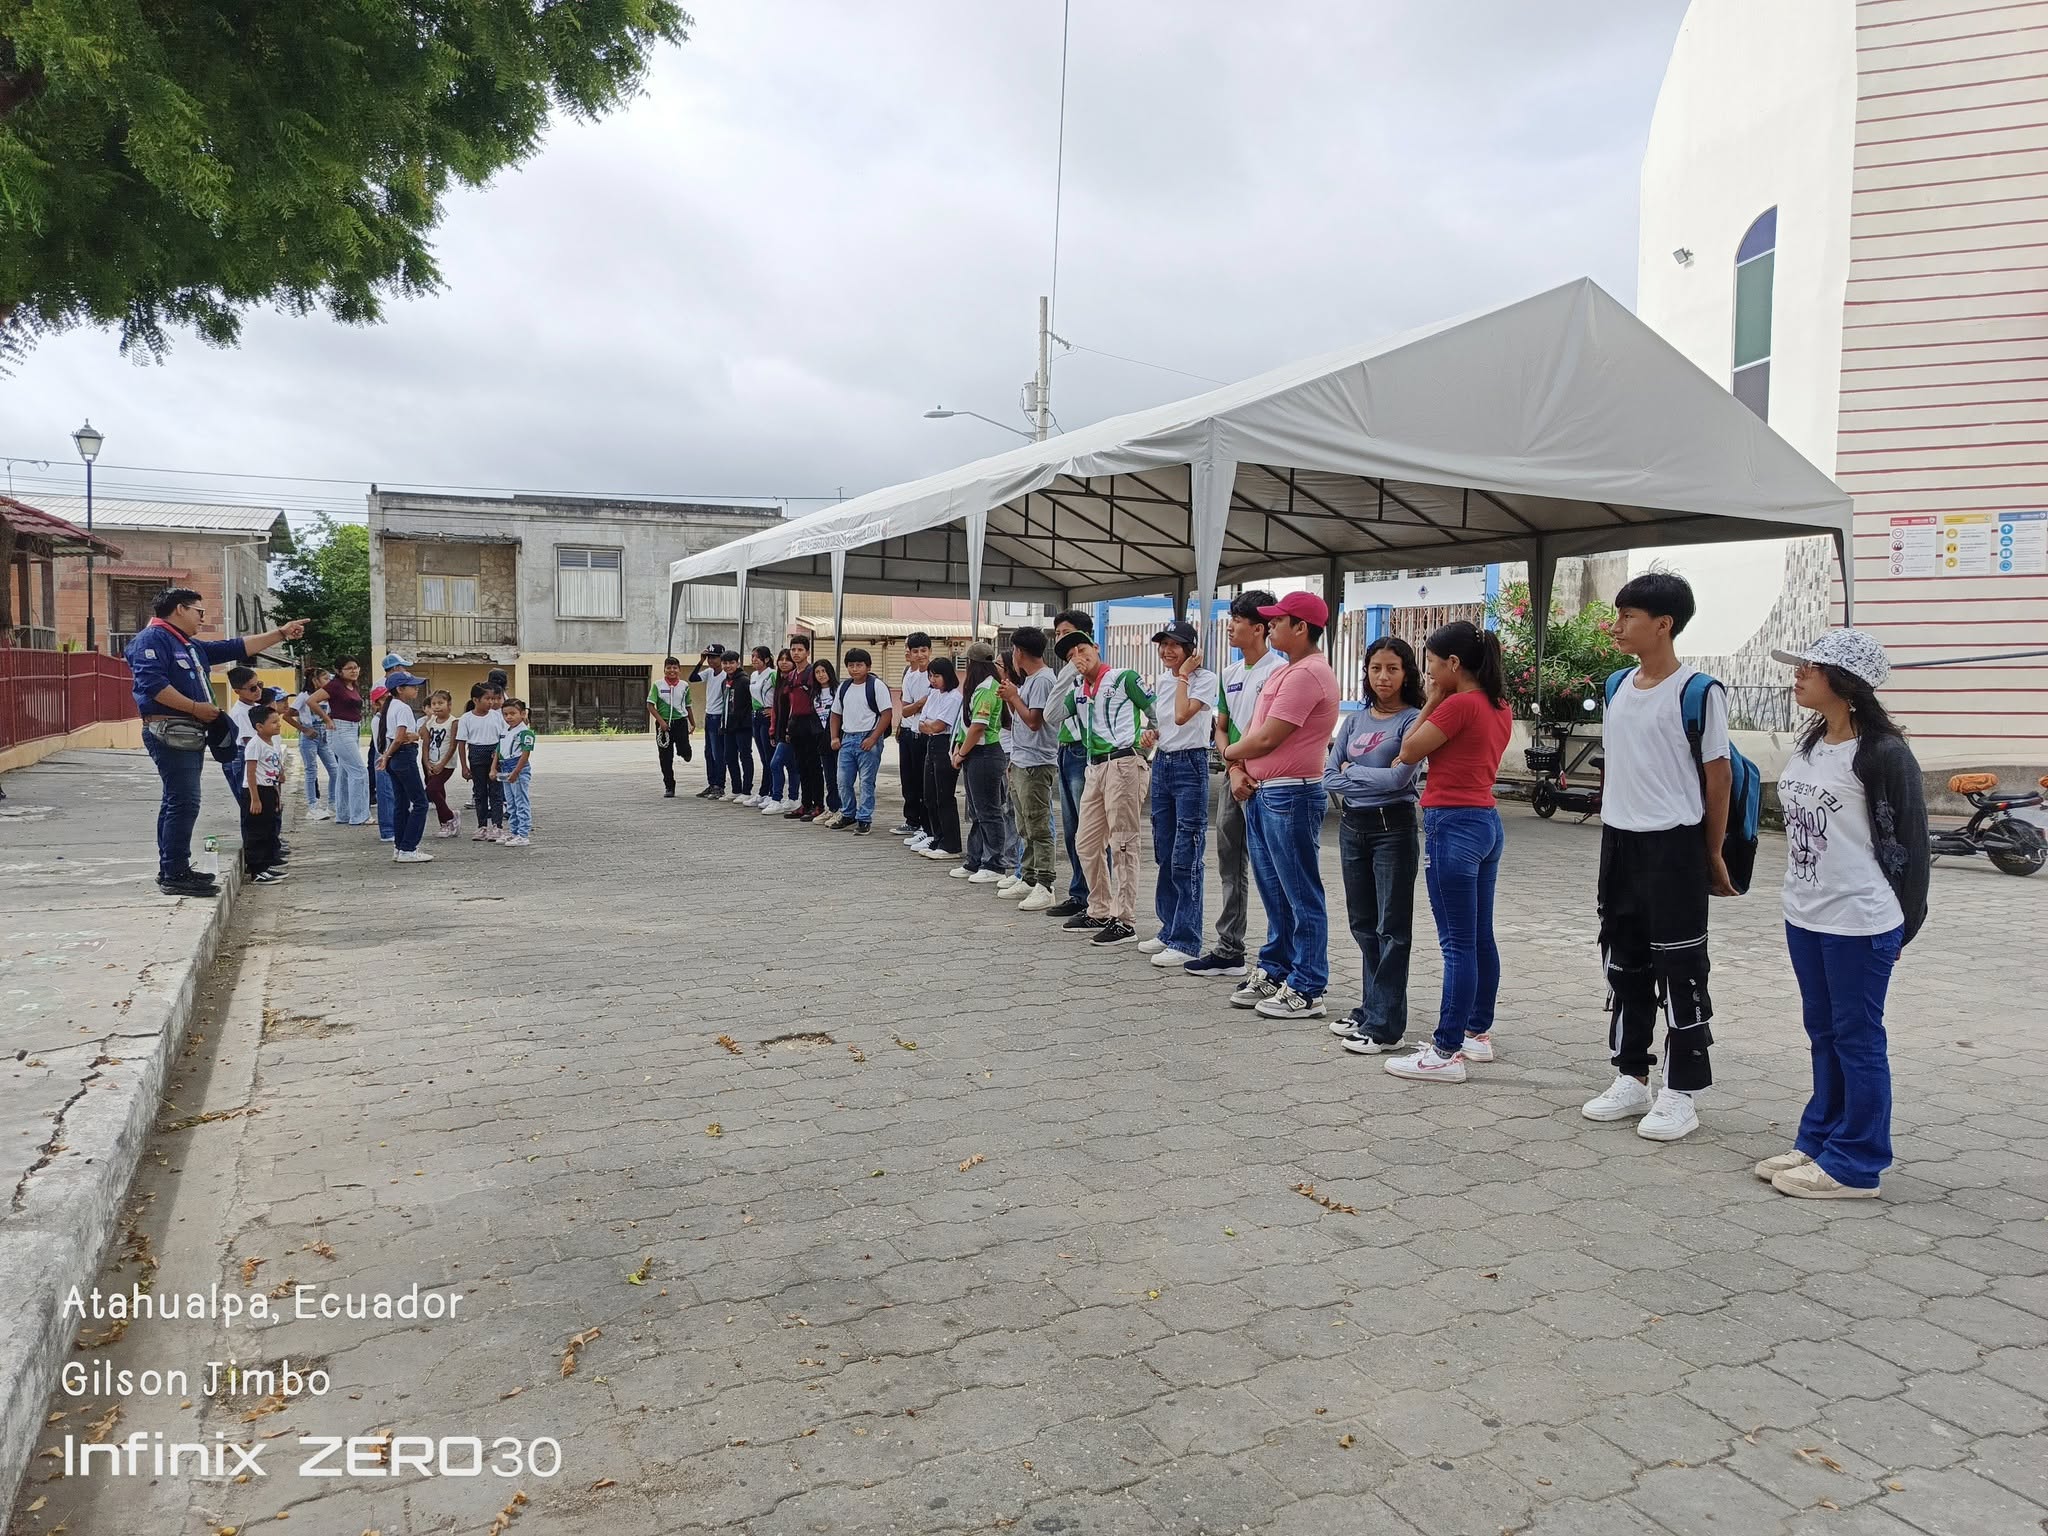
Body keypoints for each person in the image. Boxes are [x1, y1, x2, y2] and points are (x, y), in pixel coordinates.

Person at [1760, 630, 1928, 1199]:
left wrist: (1902, 927)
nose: (1799, 673)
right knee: (1824, 1033)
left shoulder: (1884, 753)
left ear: (1847, 682)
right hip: (1806, 913)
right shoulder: (1813, 741)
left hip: (1860, 919)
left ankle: (1857, 1164)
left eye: (1812, 666)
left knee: (1857, 1039)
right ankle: (1820, 1140)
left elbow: (1913, 847)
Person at [1580, 574, 1733, 1141]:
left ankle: (1681, 1091)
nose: (1616, 626)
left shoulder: (1699, 691)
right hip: (1620, 842)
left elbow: (1718, 778)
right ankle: (1631, 1075)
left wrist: (1711, 852)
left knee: (1681, 967)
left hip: (1675, 845)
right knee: (1623, 963)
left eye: (1628, 616)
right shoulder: (1618, 683)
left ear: (1663, 624)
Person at [1384, 620, 1514, 1084]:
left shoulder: (1459, 705)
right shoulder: (1500, 705)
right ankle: (1477, 1032)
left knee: (1457, 944)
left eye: (1434, 665)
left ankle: (1445, 1051)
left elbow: (1407, 750)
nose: (1430, 674)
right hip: (1486, 822)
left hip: (1453, 824)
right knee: (1479, 936)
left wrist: (1434, 700)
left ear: (1454, 664)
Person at [124, 588, 306, 898]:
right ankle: (175, 872)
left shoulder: (187, 644)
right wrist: (196, 708)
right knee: (183, 801)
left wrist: (280, 633)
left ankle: (173, 867)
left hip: (188, 731)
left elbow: (232, 647)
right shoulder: (152, 639)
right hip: (171, 730)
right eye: (199, 612)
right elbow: (152, 685)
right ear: (179, 609)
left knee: (178, 801)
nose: (202, 618)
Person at [1221, 592, 1342, 1020]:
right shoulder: (1288, 670)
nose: (1270, 626)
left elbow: (1269, 737)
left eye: (1278, 621)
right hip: (1266, 791)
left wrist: (1229, 754)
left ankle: (1308, 985)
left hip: (1290, 794)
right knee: (1275, 891)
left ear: (1301, 628)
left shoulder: (1308, 673)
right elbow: (1255, 730)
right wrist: (1238, 766)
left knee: (1300, 892)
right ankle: (1277, 967)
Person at [1325, 637, 1423, 1053]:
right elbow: (1328, 777)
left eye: (1392, 669)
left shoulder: (1413, 720)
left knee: (1392, 929)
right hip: (1353, 826)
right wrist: (1363, 775)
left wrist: (1352, 770)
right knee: (1363, 924)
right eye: (1375, 668)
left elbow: (1400, 780)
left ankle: (1385, 1027)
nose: (1383, 677)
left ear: (1407, 674)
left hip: (1392, 828)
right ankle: (1371, 1008)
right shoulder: (1354, 720)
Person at [1185, 591, 1286, 978]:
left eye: (1237, 621)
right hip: (1235, 778)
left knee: (1272, 871)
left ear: (1259, 628)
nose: (1230, 627)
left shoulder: (1279, 671)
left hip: (1267, 783)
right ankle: (1230, 948)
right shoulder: (1229, 674)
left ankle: (1283, 958)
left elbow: (1271, 732)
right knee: (1230, 865)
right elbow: (1222, 728)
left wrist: (1245, 767)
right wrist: (1232, 768)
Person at [1059, 628, 1155, 945]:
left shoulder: (1123, 678)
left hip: (1123, 762)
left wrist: (1149, 743)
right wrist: (1066, 676)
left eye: (1081, 649)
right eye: (1070, 656)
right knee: (1086, 842)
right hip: (1094, 767)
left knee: (1123, 842)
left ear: (1096, 647)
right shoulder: (1079, 690)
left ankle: (1124, 919)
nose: (1078, 657)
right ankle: (1099, 908)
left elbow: (1156, 712)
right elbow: (1050, 715)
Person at [1141, 620, 1221, 968]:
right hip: (1163, 763)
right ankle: (1169, 928)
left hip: (1191, 764)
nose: (1167, 651)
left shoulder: (1204, 679)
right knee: (1164, 850)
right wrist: (1151, 734)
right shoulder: (1163, 680)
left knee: (1186, 853)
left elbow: (1182, 715)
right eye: (1163, 644)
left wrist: (1185, 675)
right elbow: (1166, 724)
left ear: (1191, 649)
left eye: (1174, 644)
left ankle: (1187, 939)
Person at [997, 626, 1061, 909]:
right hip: (1021, 759)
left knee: (1038, 826)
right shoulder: (1031, 680)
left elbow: (1034, 721)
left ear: (1019, 652)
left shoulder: (1044, 680)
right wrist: (1011, 698)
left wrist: (1013, 697)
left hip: (1037, 761)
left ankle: (1045, 884)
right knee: (1024, 825)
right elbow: (1020, 718)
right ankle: (1029, 875)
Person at [1041, 610, 1097, 918]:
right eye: (1058, 635)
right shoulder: (1068, 674)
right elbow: (1051, 713)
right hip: (1065, 751)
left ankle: (1096, 897)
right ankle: (1079, 893)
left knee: (1090, 830)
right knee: (1072, 830)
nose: (1061, 640)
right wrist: (1066, 672)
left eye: (1067, 634)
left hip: (1085, 751)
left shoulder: (1095, 673)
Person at [952, 643, 1011, 883]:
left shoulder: (987, 688)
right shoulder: (982, 687)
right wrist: (959, 747)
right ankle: (974, 860)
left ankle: (995, 863)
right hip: (976, 754)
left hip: (985, 754)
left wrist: (961, 753)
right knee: (977, 812)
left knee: (989, 811)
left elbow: (978, 727)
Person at [828, 647, 894, 834]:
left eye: (859, 665)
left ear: (868, 666)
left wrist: (873, 738)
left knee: (866, 781)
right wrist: (834, 737)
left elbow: (887, 713)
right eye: (851, 665)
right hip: (847, 738)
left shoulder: (876, 686)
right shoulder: (844, 687)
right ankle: (848, 813)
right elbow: (835, 713)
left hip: (868, 738)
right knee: (843, 780)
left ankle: (864, 818)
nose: (855, 669)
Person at [376, 672, 434, 864]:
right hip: (403, 756)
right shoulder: (403, 708)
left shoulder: (390, 706)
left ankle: (399, 846)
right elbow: (400, 736)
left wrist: (387, 755)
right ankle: (409, 848)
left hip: (395, 758)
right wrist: (388, 755)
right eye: (412, 686)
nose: (416, 689)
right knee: (420, 803)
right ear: (400, 689)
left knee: (401, 803)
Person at [916, 656, 965, 861]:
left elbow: (938, 726)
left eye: (937, 676)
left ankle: (951, 843)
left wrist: (930, 724)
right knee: (930, 795)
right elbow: (921, 723)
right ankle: (938, 837)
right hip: (931, 744)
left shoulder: (954, 697)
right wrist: (929, 725)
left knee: (944, 796)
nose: (933, 680)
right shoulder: (933, 694)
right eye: (931, 676)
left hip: (945, 744)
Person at [240, 703, 288, 884]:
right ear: (259, 726)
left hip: (270, 790)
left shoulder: (271, 742)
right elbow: (250, 772)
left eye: (278, 721)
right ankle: (256, 870)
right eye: (273, 722)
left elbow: (274, 762)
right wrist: (255, 799)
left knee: (268, 828)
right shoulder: (254, 745)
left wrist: (281, 774)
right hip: (257, 790)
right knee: (257, 831)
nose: (278, 724)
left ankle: (266, 866)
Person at [895, 632, 934, 842]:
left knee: (925, 782)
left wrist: (918, 706)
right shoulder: (909, 676)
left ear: (930, 651)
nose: (920, 655)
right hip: (910, 731)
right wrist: (920, 704)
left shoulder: (935, 674)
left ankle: (927, 825)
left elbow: (937, 705)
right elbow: (905, 710)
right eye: (915, 651)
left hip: (928, 733)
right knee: (909, 779)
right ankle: (913, 820)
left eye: (923, 650)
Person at [783, 640, 828, 820]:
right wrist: (787, 727)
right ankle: (806, 803)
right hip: (796, 723)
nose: (796, 653)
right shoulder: (791, 675)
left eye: (800, 650)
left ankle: (818, 805)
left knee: (814, 766)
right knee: (801, 766)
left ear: (807, 652)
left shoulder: (812, 673)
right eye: (793, 649)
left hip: (811, 723)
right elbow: (789, 703)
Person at [458, 683, 507, 841]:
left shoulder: (497, 716)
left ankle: (497, 825)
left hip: (494, 754)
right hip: (476, 754)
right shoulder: (466, 718)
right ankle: (482, 826)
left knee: (496, 792)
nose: (491, 702)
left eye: (493, 699)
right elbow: (461, 743)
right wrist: (464, 766)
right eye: (487, 699)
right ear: (475, 700)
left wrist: (500, 757)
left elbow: (503, 738)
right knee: (480, 793)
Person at [325, 658, 370, 826]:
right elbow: (312, 700)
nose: (354, 671)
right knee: (359, 771)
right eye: (349, 668)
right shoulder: (335, 686)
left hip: (353, 728)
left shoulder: (352, 686)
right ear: (339, 671)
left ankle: (343, 814)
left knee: (345, 773)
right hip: (341, 729)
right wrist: (327, 719)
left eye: (356, 667)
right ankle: (360, 815)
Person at [372, 651, 411, 839]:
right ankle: (388, 829)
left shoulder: (383, 686)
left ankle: (395, 827)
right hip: (388, 747)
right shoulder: (386, 688)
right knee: (387, 789)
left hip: (390, 746)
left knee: (394, 789)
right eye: (402, 667)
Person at [293, 667, 338, 821]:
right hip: (309, 737)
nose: (328, 681)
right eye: (325, 678)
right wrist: (304, 729)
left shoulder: (326, 696)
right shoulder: (304, 696)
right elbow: (287, 715)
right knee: (311, 771)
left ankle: (332, 803)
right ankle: (312, 806)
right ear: (315, 680)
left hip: (324, 737)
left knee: (334, 770)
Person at [493, 697, 537, 848]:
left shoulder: (525, 732)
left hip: (518, 768)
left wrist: (517, 771)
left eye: (513, 713)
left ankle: (523, 834)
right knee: (511, 803)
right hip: (505, 767)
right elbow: (499, 749)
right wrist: (493, 767)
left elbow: (526, 753)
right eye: (505, 714)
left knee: (521, 802)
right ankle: (514, 831)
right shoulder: (505, 730)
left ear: (523, 714)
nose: (509, 717)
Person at [648, 656, 693, 798]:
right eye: (668, 668)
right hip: (663, 725)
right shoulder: (658, 685)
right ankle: (669, 786)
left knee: (684, 748)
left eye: (674, 668)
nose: (671, 670)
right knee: (665, 757)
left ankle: (685, 753)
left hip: (680, 722)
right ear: (664, 669)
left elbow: (688, 705)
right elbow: (650, 705)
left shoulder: (684, 686)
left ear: (679, 670)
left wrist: (692, 723)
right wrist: (661, 722)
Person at [421, 689, 463, 838]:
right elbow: (425, 741)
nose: (437, 706)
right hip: (431, 762)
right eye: (433, 704)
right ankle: (445, 824)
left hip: (446, 764)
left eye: (440, 703)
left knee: (431, 790)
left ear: (449, 705)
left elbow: (452, 746)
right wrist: (426, 762)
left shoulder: (454, 722)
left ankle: (451, 816)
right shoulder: (431, 721)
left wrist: (441, 764)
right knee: (439, 792)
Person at [690, 646, 730, 799]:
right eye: (709, 657)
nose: (711, 660)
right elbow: (693, 678)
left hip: (719, 717)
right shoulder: (709, 672)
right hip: (709, 715)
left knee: (717, 753)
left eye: (714, 657)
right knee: (708, 753)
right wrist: (700, 661)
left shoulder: (726, 675)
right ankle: (711, 783)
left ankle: (719, 785)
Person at [763, 648, 798, 814]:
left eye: (787, 659)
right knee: (790, 765)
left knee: (775, 763)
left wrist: (789, 729)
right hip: (779, 730)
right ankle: (793, 799)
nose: (784, 662)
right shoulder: (780, 680)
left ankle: (776, 798)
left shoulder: (793, 681)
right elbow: (776, 710)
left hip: (791, 731)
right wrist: (773, 731)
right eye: (781, 659)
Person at [720, 650, 756, 804]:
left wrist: (743, 719)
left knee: (745, 756)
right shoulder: (725, 682)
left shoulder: (744, 681)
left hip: (743, 726)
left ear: (738, 663)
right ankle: (736, 789)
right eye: (725, 663)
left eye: (731, 663)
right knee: (729, 756)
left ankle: (747, 790)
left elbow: (750, 703)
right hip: (728, 726)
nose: (728, 666)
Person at [749, 647, 777, 795]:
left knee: (769, 756)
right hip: (756, 716)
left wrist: (774, 710)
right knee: (762, 756)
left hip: (767, 716)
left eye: (757, 657)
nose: (754, 659)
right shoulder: (753, 675)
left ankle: (771, 791)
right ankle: (764, 791)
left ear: (766, 659)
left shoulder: (772, 674)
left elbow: (782, 695)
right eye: (752, 656)